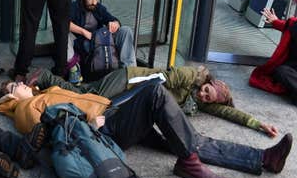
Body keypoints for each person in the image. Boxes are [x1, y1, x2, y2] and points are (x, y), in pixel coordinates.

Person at [0, 79, 293, 178]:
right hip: (105, 128)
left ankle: (262, 159)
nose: (22, 84)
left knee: (183, 133)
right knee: (155, 93)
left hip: (113, 111)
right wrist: (91, 128)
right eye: (15, 85)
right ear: (10, 96)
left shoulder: (43, 93)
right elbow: (47, 134)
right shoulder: (24, 107)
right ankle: (188, 164)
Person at [29, 65, 280, 137]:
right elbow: (162, 80)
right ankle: (46, 77)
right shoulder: (192, 76)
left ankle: (43, 85)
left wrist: (258, 125)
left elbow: (229, 113)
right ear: (206, 82)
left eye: (207, 98)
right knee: (86, 95)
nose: (203, 96)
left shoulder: (200, 100)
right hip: (130, 81)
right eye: (205, 91)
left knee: (85, 94)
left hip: (133, 91)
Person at [68, 0, 136, 81]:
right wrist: (84, 32)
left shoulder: (99, 8)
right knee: (64, 34)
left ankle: (129, 71)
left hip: (97, 42)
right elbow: (64, 23)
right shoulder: (75, 7)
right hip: (80, 41)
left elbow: (113, 19)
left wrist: (115, 23)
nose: (94, 2)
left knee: (125, 30)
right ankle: (74, 70)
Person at [250, 7, 297, 103]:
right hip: (291, 71)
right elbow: (288, 27)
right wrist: (275, 21)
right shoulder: (294, 25)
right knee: (281, 71)